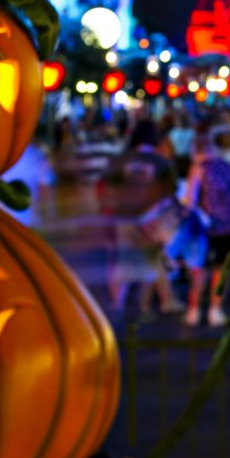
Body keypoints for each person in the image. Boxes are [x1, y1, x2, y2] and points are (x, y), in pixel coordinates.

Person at [102, 119, 183, 316]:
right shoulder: (160, 161)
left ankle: (117, 304)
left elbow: (108, 186)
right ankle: (151, 305)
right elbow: (171, 190)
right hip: (151, 217)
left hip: (124, 215)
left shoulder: (122, 159)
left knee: (122, 261)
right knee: (152, 261)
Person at [184, 135, 230, 326]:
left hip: (207, 226)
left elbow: (191, 200)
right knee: (221, 269)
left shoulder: (198, 168)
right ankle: (216, 309)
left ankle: (194, 310)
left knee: (200, 269)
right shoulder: (227, 166)